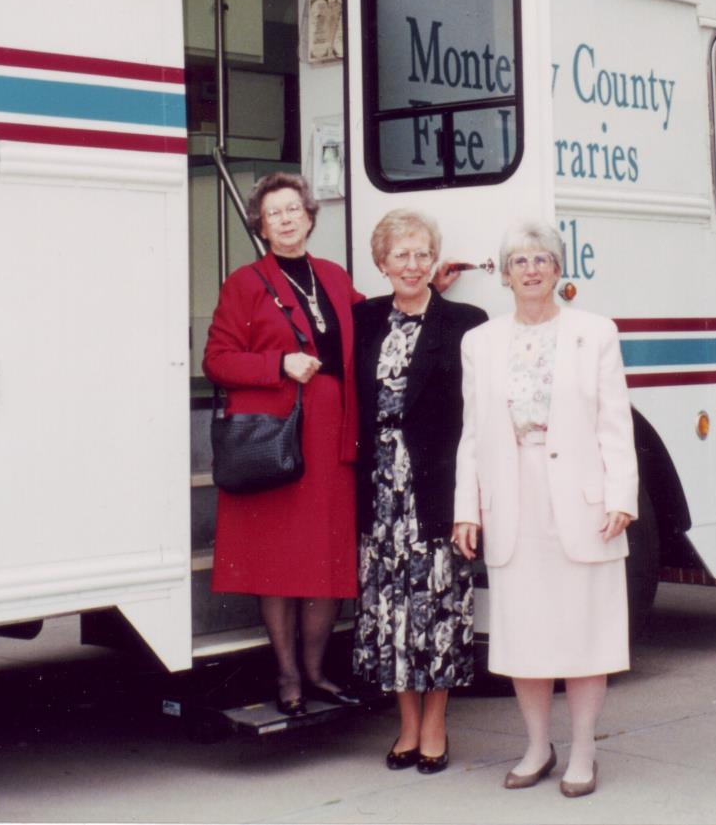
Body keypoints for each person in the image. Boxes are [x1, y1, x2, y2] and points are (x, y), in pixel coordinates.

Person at [451, 219, 638, 798]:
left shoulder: (595, 333)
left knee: (585, 633)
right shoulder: (480, 342)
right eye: (519, 261)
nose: (531, 269)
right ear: (504, 275)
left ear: (558, 270)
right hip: (513, 500)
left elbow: (615, 422)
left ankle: (583, 752)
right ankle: (537, 746)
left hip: (582, 503)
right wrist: (468, 508)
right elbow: (472, 434)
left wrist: (622, 497)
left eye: (542, 259)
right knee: (525, 635)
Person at [203, 172, 362, 715]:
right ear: (261, 225)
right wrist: (278, 363)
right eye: (275, 213)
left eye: (294, 208)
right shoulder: (244, 283)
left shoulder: (335, 278)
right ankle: (288, 676)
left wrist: (429, 281)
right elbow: (217, 360)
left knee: (324, 562)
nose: (287, 219)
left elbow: (375, 323)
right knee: (279, 565)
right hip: (280, 441)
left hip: (332, 438)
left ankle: (317, 672)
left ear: (310, 216)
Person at [350, 210, 487, 775]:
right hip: (380, 492)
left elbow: (477, 417)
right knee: (390, 612)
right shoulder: (362, 321)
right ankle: (406, 726)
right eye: (400, 255)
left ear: (435, 261)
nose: (412, 264)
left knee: (437, 609)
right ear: (382, 265)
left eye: (421, 254)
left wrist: (471, 501)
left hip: (435, 488)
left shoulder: (465, 322)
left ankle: (435, 726)